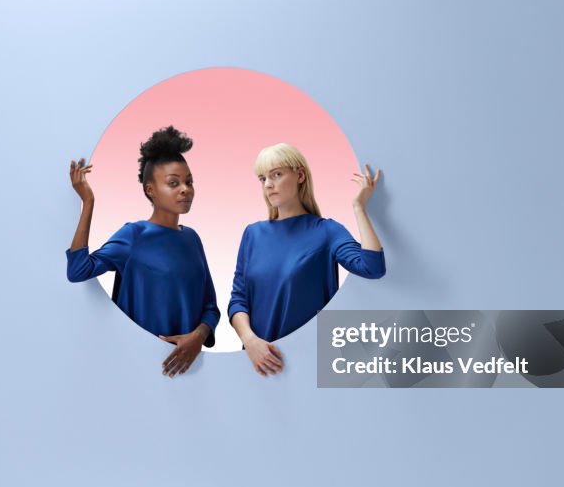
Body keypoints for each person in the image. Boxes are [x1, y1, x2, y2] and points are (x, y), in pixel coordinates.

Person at [66, 126, 220, 377]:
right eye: (173, 183)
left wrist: (198, 337)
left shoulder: (192, 239)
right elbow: (78, 270)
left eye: (188, 181)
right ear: (150, 190)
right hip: (135, 368)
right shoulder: (134, 235)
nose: (185, 189)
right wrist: (88, 202)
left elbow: (211, 307)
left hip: (189, 370)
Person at [228, 143, 386, 377]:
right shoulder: (252, 234)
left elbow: (373, 268)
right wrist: (250, 341)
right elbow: (238, 300)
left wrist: (359, 207)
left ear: (300, 175)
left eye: (277, 174)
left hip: (309, 363)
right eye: (263, 179)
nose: (268, 184)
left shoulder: (327, 231)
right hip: (256, 362)